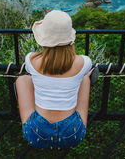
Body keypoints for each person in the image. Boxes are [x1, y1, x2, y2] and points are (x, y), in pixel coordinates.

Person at [15, 10, 93, 150]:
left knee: (23, 80)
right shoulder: (84, 62)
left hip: (37, 134)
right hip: (73, 134)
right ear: (70, 39)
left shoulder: (31, 60)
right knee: (84, 79)